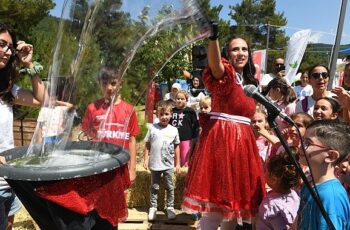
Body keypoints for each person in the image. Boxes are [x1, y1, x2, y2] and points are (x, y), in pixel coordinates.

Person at [6, 66, 139, 230]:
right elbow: (86, 139)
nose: (109, 88)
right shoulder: (92, 108)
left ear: (120, 83)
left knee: (114, 204)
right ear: (99, 84)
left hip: (117, 167)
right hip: (98, 170)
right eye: (105, 83)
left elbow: (132, 139)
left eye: (113, 83)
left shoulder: (129, 109)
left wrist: (132, 168)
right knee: (97, 207)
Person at [182, 21, 266, 229]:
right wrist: (214, 39)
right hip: (222, 143)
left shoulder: (250, 83)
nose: (240, 53)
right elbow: (215, 66)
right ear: (227, 53)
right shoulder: (226, 74)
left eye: (244, 49)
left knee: (233, 212)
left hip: (243, 147)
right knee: (215, 208)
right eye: (235, 49)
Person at [0, 23, 46, 230]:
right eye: (2, 44)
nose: (7, 52)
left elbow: (41, 99)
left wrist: (29, 65)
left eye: (10, 47)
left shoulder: (7, 89)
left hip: (9, 180)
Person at [297, 120, 350, 229]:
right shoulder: (310, 183)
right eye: (302, 140)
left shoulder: (331, 197)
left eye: (308, 143)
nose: (300, 145)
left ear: (331, 156)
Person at [143, 100, 181, 221]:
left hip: (169, 165)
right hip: (155, 163)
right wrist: (146, 159)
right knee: (154, 187)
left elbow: (177, 147)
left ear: (171, 114)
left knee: (170, 187)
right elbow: (147, 144)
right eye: (161, 114)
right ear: (157, 115)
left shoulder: (174, 130)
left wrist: (178, 163)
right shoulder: (152, 128)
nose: (164, 117)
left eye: (167, 114)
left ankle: (170, 207)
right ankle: (153, 207)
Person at [256, 152, 301, 230]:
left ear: (273, 179)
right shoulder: (293, 194)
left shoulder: (272, 206)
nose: (264, 173)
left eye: (266, 171)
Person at [170, 90, 199, 167]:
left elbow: (195, 125)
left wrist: (194, 137)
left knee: (185, 160)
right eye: (178, 98)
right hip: (173, 139)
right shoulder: (171, 111)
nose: (180, 100)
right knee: (174, 161)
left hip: (186, 139)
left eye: (182, 99)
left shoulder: (190, 111)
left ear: (186, 100)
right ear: (175, 99)